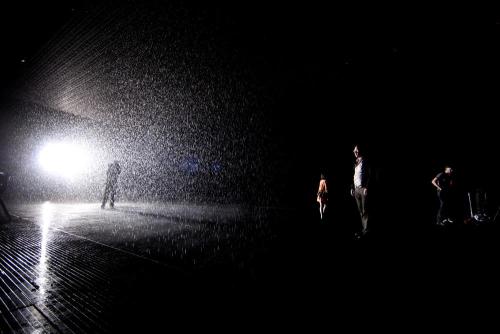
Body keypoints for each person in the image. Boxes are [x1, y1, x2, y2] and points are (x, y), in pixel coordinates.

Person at [351, 145, 370, 238]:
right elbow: (353, 175)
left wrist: (366, 187)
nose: (355, 152)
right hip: (356, 189)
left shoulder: (364, 161)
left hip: (363, 189)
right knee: (359, 211)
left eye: (357, 151)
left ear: (360, 151)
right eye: (354, 151)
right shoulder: (355, 162)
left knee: (364, 210)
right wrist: (352, 188)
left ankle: (366, 231)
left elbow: (369, 174)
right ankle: (361, 229)